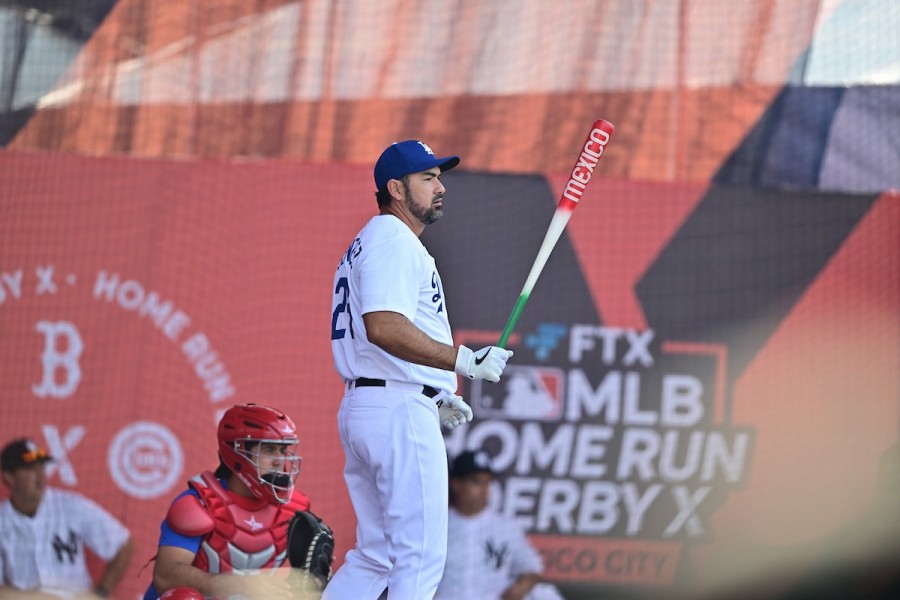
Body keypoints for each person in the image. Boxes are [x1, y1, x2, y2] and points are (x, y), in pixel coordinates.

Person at [326, 140, 514, 599]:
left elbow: (382, 332)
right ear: (396, 187)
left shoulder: (373, 240)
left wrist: (435, 391)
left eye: (439, 177)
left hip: (372, 403)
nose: (439, 186)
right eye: (427, 178)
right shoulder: (393, 239)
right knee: (420, 555)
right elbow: (383, 327)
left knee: (376, 556)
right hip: (395, 408)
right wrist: (463, 361)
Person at [144, 403, 318, 600]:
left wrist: (313, 579)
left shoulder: (296, 510)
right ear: (238, 454)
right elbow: (165, 577)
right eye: (269, 450)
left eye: (283, 451)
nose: (280, 461)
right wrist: (241, 584)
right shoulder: (200, 504)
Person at [0, 437, 133, 599]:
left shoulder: (70, 505)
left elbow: (123, 543)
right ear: (9, 477)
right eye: (30, 468)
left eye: (41, 466)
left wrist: (101, 593)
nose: (40, 475)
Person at [435, 450, 563, 600]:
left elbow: (530, 566)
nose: (484, 489)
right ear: (456, 484)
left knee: (545, 593)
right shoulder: (438, 525)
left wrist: (519, 588)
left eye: (487, 482)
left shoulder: (505, 525)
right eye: (476, 482)